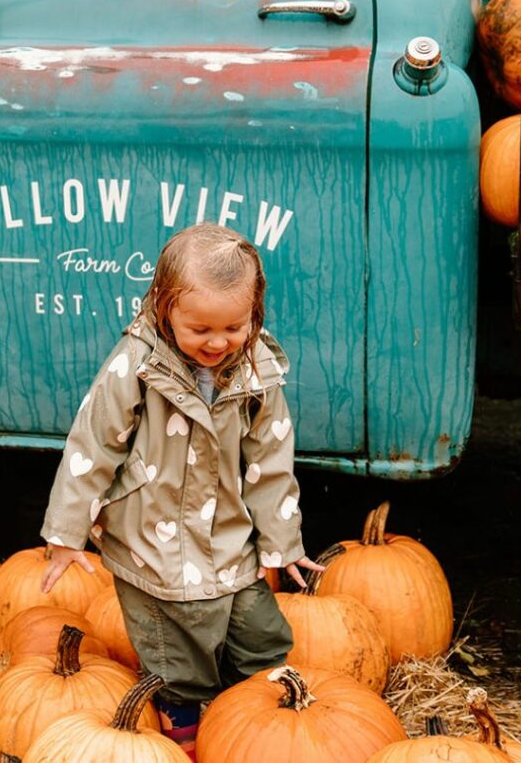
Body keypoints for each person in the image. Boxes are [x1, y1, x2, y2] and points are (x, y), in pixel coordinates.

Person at [39, 223, 323, 760]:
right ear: (163, 307)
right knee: (177, 663)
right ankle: (185, 738)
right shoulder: (137, 365)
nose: (218, 343)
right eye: (201, 329)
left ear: (254, 312)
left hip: (227, 540)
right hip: (152, 545)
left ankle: (258, 730)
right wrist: (66, 533)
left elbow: (271, 460)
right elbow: (93, 447)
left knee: (262, 639)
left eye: (233, 327)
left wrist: (283, 542)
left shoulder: (257, 371)